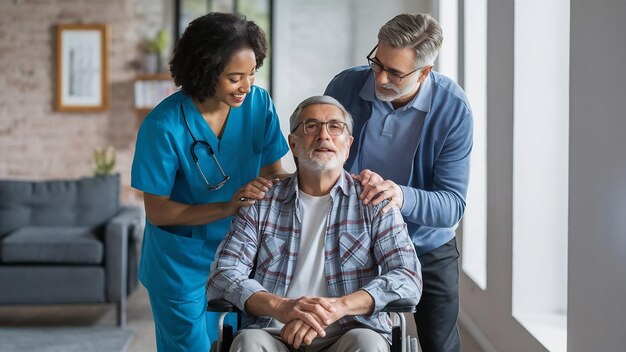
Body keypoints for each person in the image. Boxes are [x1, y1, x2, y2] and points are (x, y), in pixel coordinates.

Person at [207, 95, 422, 352]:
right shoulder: (262, 201)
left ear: (348, 145)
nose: (324, 135)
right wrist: (282, 307)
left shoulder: (374, 201)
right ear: (293, 144)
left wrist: (337, 308)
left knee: (368, 344)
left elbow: (407, 276)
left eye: (335, 126)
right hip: (275, 332)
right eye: (311, 126)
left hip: (350, 330)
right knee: (248, 343)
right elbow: (223, 274)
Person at [131, 13, 289, 351]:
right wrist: (227, 206)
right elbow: (157, 211)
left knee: (239, 341)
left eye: (252, 73)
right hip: (180, 262)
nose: (246, 86)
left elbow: (273, 173)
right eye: (235, 78)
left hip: (241, 254)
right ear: (205, 72)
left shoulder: (258, 104)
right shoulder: (163, 126)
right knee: (191, 347)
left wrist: (328, 181)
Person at [324, 13, 473, 352]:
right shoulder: (344, 87)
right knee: (350, 338)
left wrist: (399, 195)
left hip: (426, 246)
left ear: (424, 72)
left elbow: (452, 207)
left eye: (395, 72)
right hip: (353, 241)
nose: (380, 78)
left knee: (440, 344)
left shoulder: (453, 108)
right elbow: (322, 157)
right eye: (377, 63)